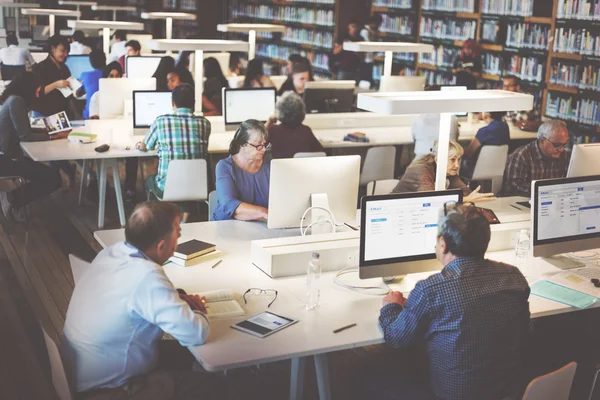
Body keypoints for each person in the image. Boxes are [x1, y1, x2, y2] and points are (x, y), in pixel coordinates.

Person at [363, 202, 530, 399]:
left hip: (452, 395)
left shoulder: (431, 289)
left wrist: (391, 306)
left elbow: (396, 338)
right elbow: (525, 330)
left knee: (368, 377)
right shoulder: (513, 277)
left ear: (443, 244)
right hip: (506, 393)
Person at [61, 202, 222, 399]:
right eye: (178, 234)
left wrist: (176, 298)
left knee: (185, 355)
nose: (177, 242)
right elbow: (196, 333)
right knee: (213, 385)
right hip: (111, 390)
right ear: (161, 245)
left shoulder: (112, 253)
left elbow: (132, 297)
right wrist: (198, 311)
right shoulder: (147, 276)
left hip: (84, 372)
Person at [138, 84, 210, 221]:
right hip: (198, 187)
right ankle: (184, 213)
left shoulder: (161, 121)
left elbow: (145, 146)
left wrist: (142, 144)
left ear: (172, 102)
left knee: (148, 180)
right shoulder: (205, 124)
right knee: (187, 177)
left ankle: (160, 218)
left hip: (167, 188)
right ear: (194, 103)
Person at [0, 72, 66, 221]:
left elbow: (22, 130)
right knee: (54, 179)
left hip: (6, 156)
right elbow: (26, 136)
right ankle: (12, 198)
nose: (38, 93)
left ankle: (13, 198)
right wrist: (52, 136)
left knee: (47, 175)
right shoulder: (17, 101)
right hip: (7, 160)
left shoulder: (11, 99)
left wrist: (44, 131)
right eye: (37, 88)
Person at [393, 141, 495, 203]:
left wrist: (467, 198)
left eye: (459, 159)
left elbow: (464, 192)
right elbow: (431, 201)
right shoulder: (421, 170)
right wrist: (466, 200)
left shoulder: (447, 170)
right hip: (397, 210)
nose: (457, 165)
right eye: (452, 159)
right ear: (438, 160)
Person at [213, 119, 270, 221]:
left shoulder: (270, 165)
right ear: (242, 144)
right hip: (226, 225)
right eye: (258, 146)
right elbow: (229, 204)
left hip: (260, 226)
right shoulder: (225, 166)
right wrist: (264, 213)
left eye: (264, 144)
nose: (264, 149)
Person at [501, 120, 570, 198]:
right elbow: (514, 187)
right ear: (542, 141)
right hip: (520, 204)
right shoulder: (522, 155)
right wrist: (545, 192)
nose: (561, 149)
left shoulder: (565, 156)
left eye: (564, 144)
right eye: (557, 145)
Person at [266, 92, 323, 158]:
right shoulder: (306, 130)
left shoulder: (273, 130)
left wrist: (269, 121)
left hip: (281, 167)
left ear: (279, 111)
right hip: (303, 167)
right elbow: (319, 150)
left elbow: (259, 141)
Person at [31, 35, 76, 118]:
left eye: (67, 51)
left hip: (62, 112)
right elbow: (37, 93)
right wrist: (56, 84)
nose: (66, 54)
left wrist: (75, 88)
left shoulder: (64, 68)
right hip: (45, 113)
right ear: (52, 49)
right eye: (62, 51)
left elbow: (68, 94)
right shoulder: (40, 68)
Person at [412, 85, 459, 158]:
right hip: (446, 163)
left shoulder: (417, 119)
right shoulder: (453, 119)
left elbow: (414, 139)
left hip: (421, 162)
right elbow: (456, 139)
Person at [462, 111, 509, 178]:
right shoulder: (505, 127)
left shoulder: (484, 131)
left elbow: (469, 153)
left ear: (487, 113)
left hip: (477, 170)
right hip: (499, 170)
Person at [75, 50, 105, 119]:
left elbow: (77, 94)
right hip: (106, 113)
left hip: (90, 115)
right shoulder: (110, 75)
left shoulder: (85, 75)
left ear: (91, 62)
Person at [359, 15, 383, 84]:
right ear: (372, 23)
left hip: (370, 59)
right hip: (366, 60)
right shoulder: (365, 32)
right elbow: (369, 45)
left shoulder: (371, 32)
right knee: (366, 80)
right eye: (377, 25)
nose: (377, 27)